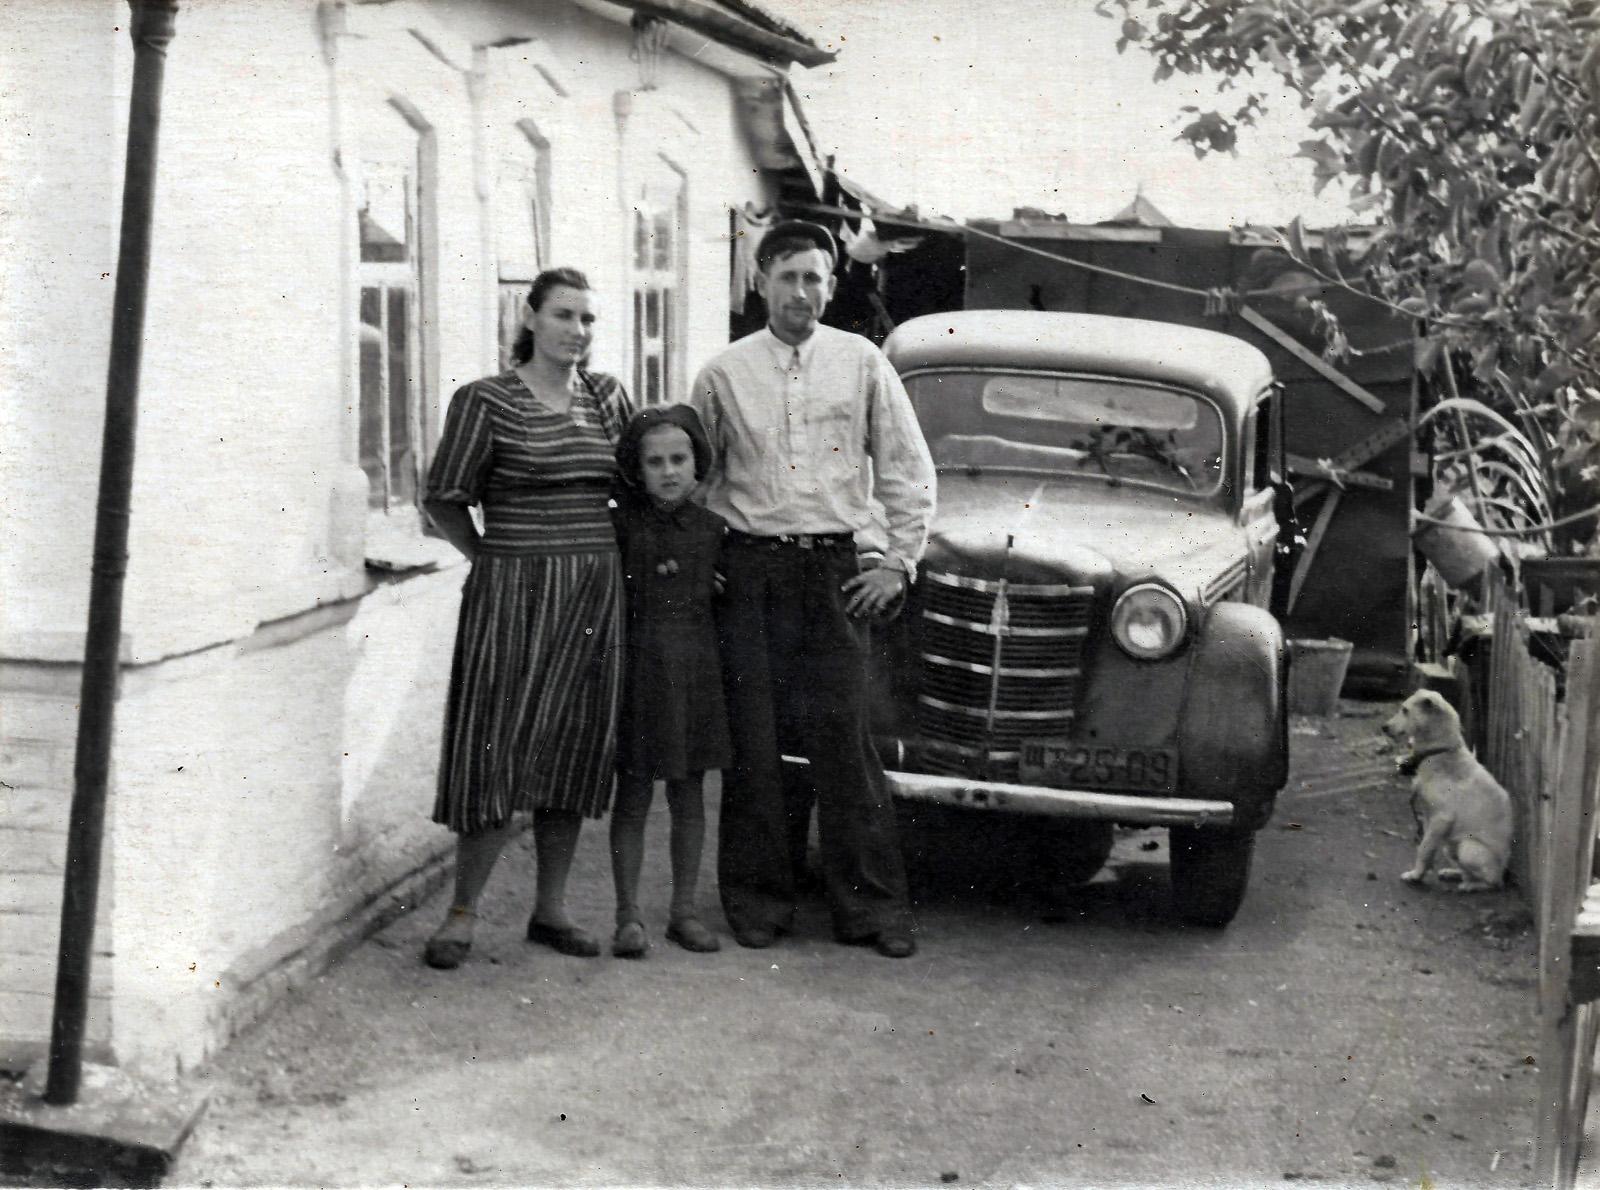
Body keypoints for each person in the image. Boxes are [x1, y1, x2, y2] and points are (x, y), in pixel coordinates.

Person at [689, 221, 936, 959]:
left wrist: (897, 562)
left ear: (831, 286)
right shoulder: (722, 373)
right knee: (756, 743)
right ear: (761, 281)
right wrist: (705, 561)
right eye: (789, 276)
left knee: (846, 742)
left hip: (835, 571)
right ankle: (759, 902)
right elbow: (698, 480)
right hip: (752, 572)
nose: (803, 292)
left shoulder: (862, 363)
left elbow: (906, 469)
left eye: (816, 278)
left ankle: (871, 909)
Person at [419, 266, 633, 970]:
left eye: (588, 318)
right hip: (512, 597)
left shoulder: (608, 398)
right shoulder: (486, 400)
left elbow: (636, 488)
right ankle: (461, 913)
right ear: (531, 318)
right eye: (564, 315)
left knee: (573, 745)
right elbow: (443, 496)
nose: (578, 330)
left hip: (593, 596)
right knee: (496, 747)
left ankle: (551, 909)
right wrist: (490, 557)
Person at [606, 405, 730, 958]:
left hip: (694, 675)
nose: (669, 471)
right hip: (638, 674)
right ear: (637, 470)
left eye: (679, 459)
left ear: (697, 463)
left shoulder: (714, 531)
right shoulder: (621, 527)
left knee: (689, 796)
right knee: (632, 796)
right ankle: (627, 916)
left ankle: (683, 912)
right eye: (654, 462)